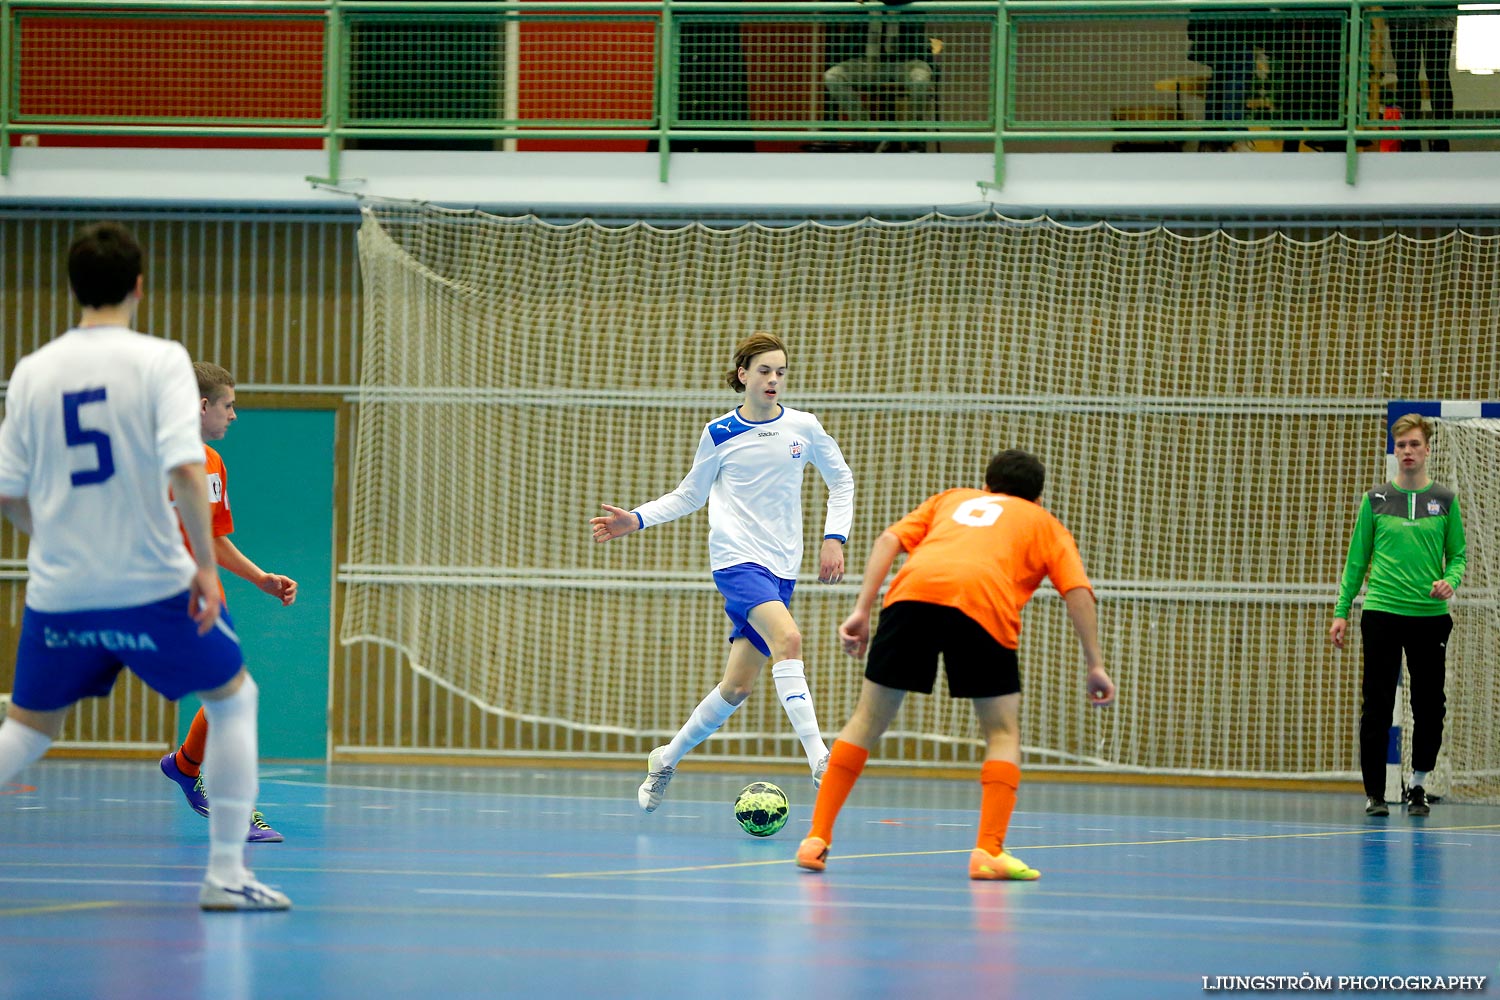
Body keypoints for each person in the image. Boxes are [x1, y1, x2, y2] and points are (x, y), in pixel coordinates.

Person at [0, 222, 289, 910]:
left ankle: (224, 859)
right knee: (235, 699)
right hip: (148, 581)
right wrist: (207, 571)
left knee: (28, 730)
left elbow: (9, 492)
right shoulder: (160, 360)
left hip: (62, 585)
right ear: (139, 286)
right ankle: (225, 873)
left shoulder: (33, 372)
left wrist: (62, 539)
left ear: (72, 288)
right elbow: (187, 473)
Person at [794, 448, 1114, 880]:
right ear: (1037, 497)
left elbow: (889, 539)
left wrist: (862, 610)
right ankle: (988, 852)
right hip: (983, 606)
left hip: (911, 598)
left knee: (865, 721)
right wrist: (1094, 663)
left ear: (986, 485)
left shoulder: (952, 499)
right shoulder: (1044, 524)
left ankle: (816, 837)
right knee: (1001, 733)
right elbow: (1077, 590)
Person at [590, 332, 854, 812]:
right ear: (743, 376)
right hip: (735, 560)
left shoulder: (804, 427)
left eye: (780, 371)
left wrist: (834, 536)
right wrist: (637, 517)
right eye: (764, 371)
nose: (773, 379)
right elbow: (690, 495)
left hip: (782, 566)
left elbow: (841, 480)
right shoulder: (719, 433)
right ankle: (821, 760)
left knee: (736, 687)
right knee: (789, 641)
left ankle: (665, 760)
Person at [159, 362, 297, 844]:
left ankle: (192, 772)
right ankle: (188, 769)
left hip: (190, 595)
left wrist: (260, 577)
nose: (234, 416)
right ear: (202, 406)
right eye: (228, 405)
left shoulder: (213, 464)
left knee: (233, 694)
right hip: (145, 590)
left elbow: (213, 539)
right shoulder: (151, 455)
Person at [1330, 413, 1465, 819]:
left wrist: (1449, 580)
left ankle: (1418, 785)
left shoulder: (1445, 500)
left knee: (1429, 706)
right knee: (1377, 703)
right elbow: (1357, 561)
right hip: (1382, 613)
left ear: (1427, 449)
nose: (1407, 451)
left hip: (1429, 618)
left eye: (1414, 445)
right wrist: (1341, 612)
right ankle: (1374, 792)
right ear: (1396, 450)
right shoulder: (1374, 501)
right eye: (1401, 445)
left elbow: (1457, 555)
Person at [823, 0, 936, 150]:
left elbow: (916, 41)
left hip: (904, 62)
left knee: (921, 78)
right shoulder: (860, 7)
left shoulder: (911, 8)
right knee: (832, 76)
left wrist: (893, 11)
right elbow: (849, 42)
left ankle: (912, 134)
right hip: (866, 63)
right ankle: (869, 132)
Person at [1387, 9, 1455, 151]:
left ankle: (1414, 138)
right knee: (1435, 75)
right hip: (1432, 14)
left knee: (1411, 76)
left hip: (1406, 14)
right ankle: (1438, 139)